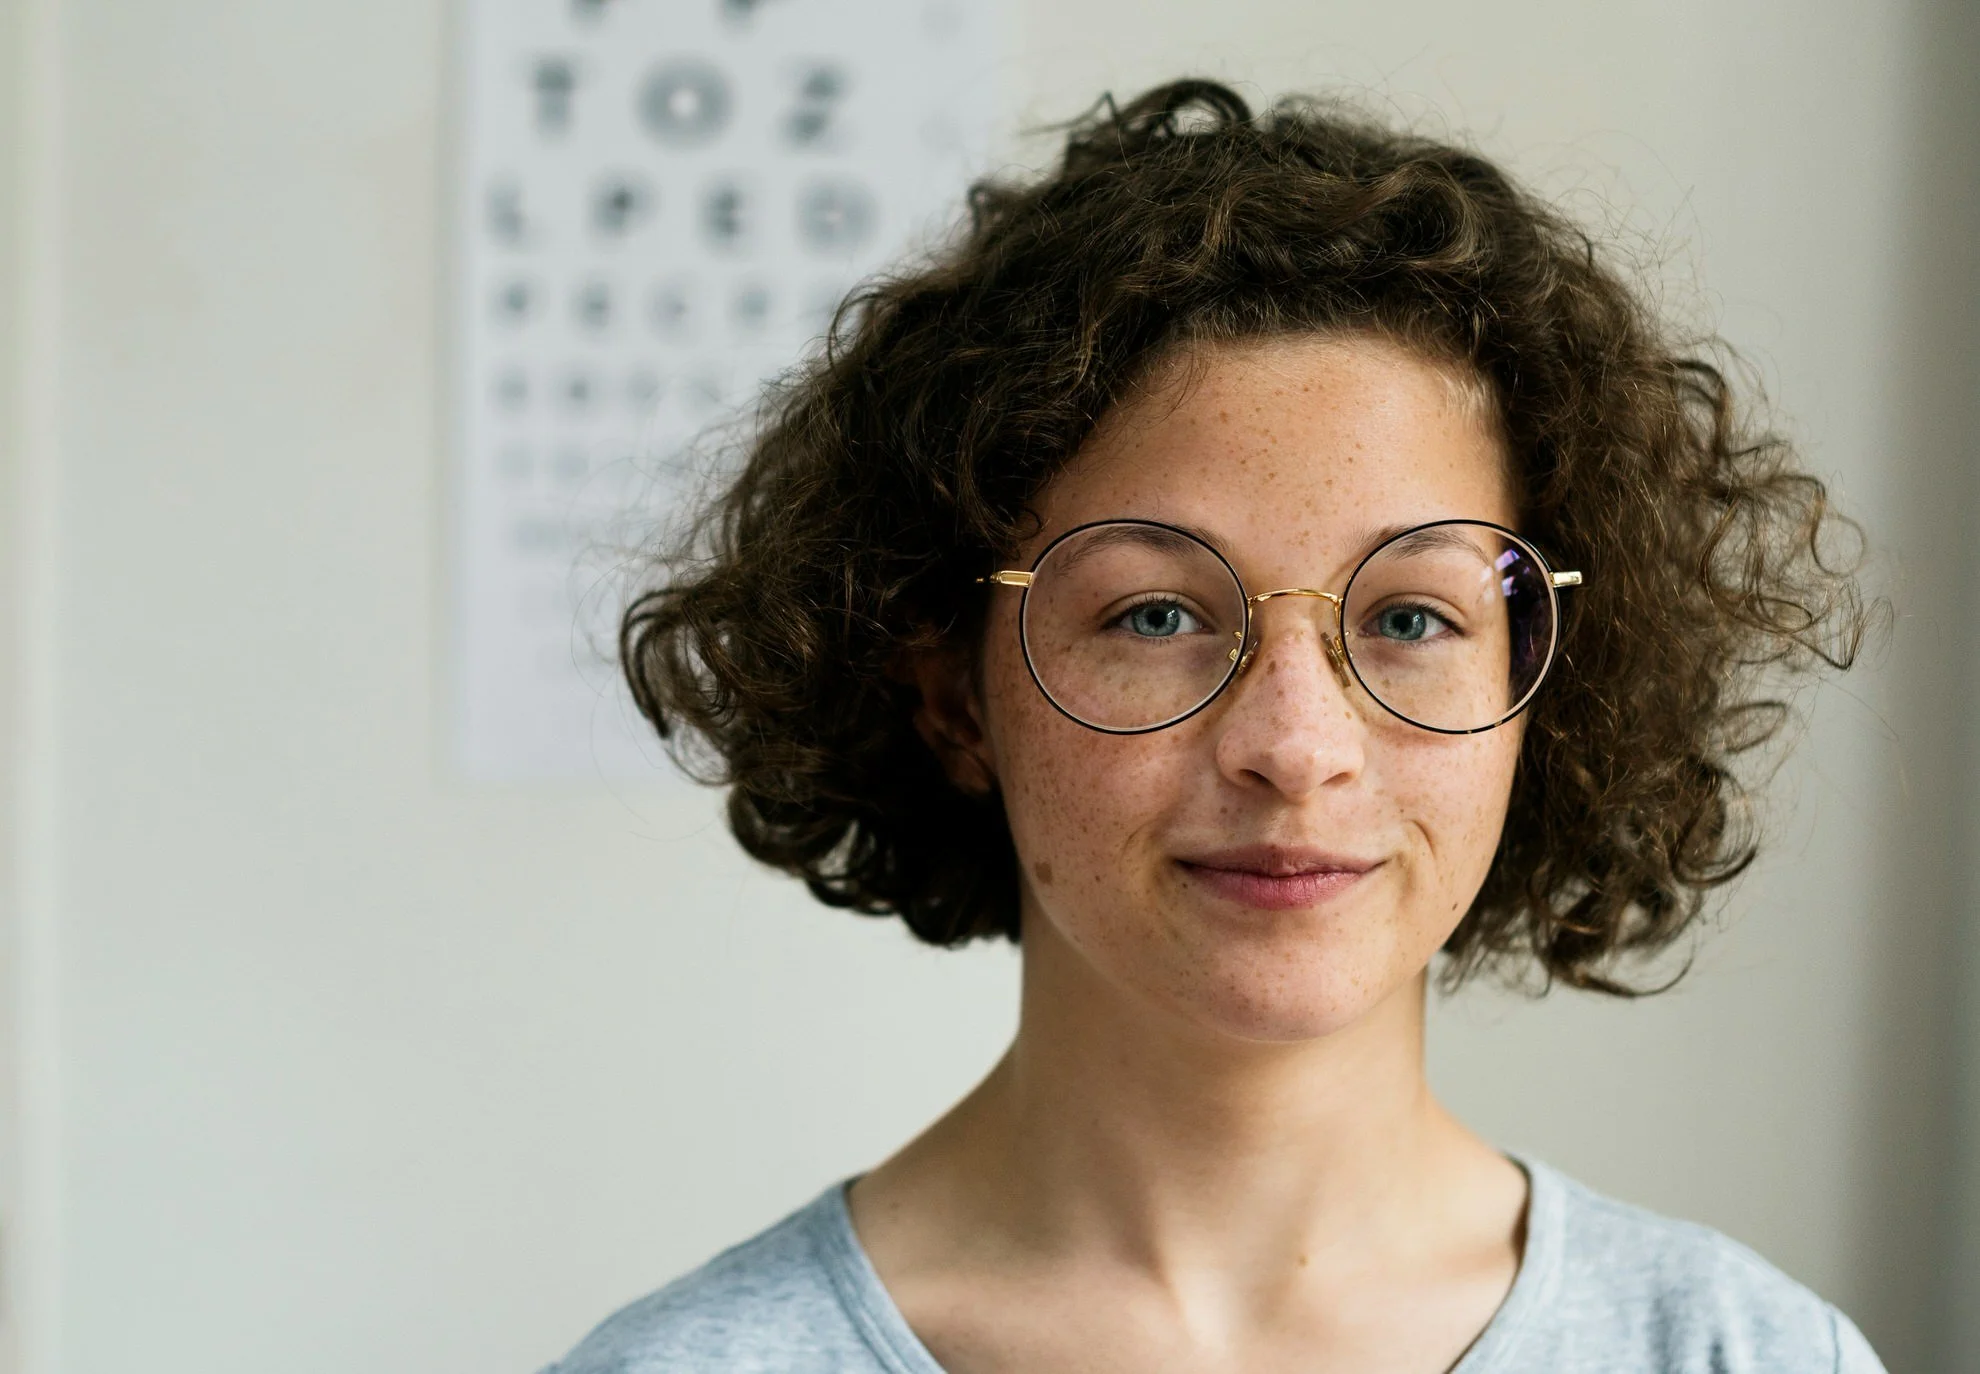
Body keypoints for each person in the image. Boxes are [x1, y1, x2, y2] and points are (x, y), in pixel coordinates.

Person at [549, 80, 1884, 1372]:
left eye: (1412, 618)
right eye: (1154, 616)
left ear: (1543, 682)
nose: (1298, 747)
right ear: (951, 692)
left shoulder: (1747, 1354)